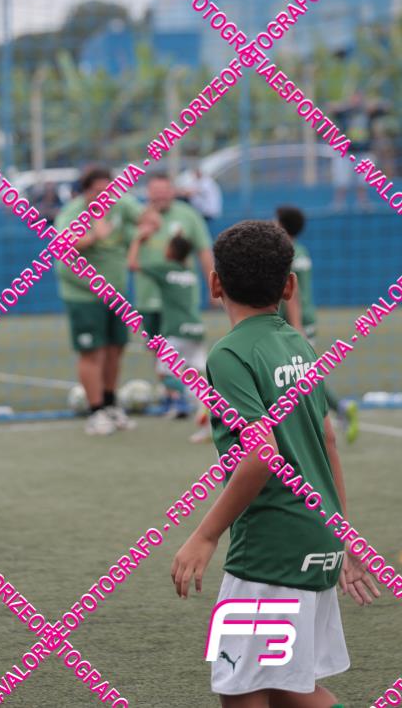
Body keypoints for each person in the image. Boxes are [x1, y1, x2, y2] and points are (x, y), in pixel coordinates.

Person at [170, 220, 379, 708]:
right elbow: (328, 439)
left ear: (214, 283)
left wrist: (205, 535)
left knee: (241, 688)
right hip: (316, 537)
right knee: (286, 686)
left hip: (270, 549)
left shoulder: (229, 354)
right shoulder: (299, 344)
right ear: (289, 286)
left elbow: (262, 456)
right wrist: (342, 533)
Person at [55, 165, 141, 435]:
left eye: (108, 191)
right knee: (93, 352)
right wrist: (93, 236)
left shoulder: (121, 206)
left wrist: (145, 227)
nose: (104, 196)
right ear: (84, 192)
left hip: (116, 294)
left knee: (116, 349)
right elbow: (63, 244)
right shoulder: (72, 212)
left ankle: (111, 404)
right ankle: (95, 412)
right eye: (97, 191)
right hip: (84, 295)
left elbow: (147, 218)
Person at [275, 205, 359, 444]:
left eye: (275, 220)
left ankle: (337, 409)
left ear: (282, 225)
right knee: (301, 373)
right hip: (306, 317)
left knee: (298, 375)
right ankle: (335, 410)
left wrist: (296, 325)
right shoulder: (301, 250)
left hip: (295, 321)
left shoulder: (285, 253)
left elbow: (292, 293)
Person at [127, 231, 210, 439]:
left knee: (165, 373)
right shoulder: (189, 272)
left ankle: (203, 401)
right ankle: (208, 426)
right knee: (195, 375)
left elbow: (132, 265)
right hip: (196, 329)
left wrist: (137, 240)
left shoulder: (165, 269)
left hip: (176, 330)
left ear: (171, 251)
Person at [134, 173, 218, 342]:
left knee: (184, 347)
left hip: (181, 300)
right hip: (148, 299)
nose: (160, 196)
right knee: (159, 351)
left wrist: (213, 288)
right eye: (156, 191)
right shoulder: (137, 216)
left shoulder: (188, 215)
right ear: (147, 193)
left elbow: (204, 252)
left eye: (164, 191)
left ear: (173, 192)